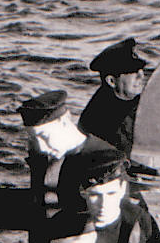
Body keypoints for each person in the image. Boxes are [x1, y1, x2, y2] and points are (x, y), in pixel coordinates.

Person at [62, 139, 160, 243]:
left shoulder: (139, 221)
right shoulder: (72, 226)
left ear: (123, 189)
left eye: (111, 194)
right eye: (95, 195)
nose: (103, 204)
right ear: (84, 193)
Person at [20, 89, 108, 221]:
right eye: (33, 138)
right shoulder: (42, 155)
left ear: (65, 121)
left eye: (44, 136)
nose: (42, 147)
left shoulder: (103, 161)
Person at [77, 37, 149, 156]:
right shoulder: (99, 120)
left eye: (141, 70)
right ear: (111, 81)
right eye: (133, 72)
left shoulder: (135, 98)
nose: (141, 76)